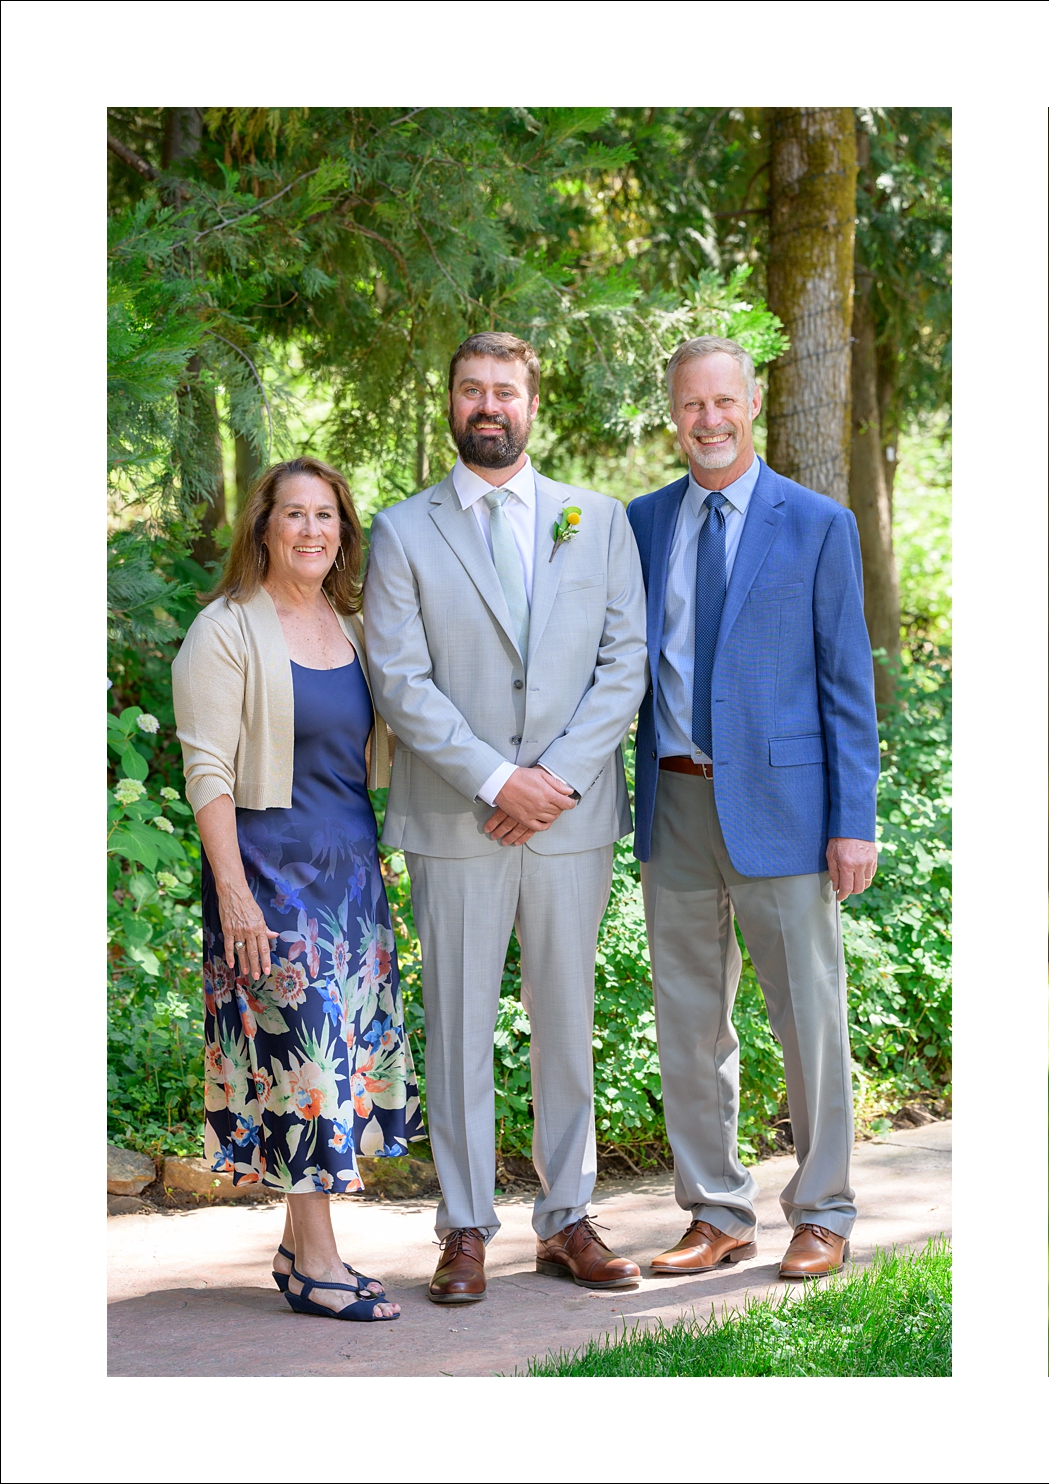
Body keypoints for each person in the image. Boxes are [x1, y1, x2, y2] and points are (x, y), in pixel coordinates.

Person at [362, 331, 649, 1304]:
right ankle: (466, 1226)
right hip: (456, 817)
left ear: (533, 404)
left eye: (505, 391)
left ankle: (566, 1217)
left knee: (565, 1020)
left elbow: (625, 663)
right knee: (459, 1024)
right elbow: (400, 679)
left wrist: (553, 779)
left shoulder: (595, 519)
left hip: (568, 818)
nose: (488, 405)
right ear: (449, 402)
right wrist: (495, 778)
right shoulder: (403, 531)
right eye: (471, 389)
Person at [627, 335, 879, 1282]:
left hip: (786, 804)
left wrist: (853, 818)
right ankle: (716, 1212)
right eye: (692, 405)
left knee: (808, 1015)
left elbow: (846, 684)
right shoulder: (643, 523)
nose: (709, 420)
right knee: (689, 1020)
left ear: (753, 403)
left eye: (724, 402)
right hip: (677, 799)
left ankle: (823, 1210)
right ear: (674, 413)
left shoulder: (815, 523)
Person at [171, 456, 418, 1322]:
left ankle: (292, 1245)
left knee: (328, 1067)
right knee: (307, 1062)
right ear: (264, 528)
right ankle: (319, 1262)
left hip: (350, 879)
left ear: (343, 531)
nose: (312, 530)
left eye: (327, 516)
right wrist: (233, 893)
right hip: (269, 879)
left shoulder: (352, 624)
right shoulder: (226, 628)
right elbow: (206, 770)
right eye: (294, 515)